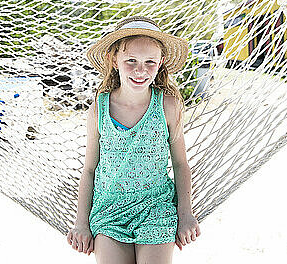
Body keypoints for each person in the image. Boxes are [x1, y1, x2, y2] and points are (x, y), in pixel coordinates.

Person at [67, 15, 201, 263]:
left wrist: (186, 214)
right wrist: (81, 223)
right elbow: (89, 170)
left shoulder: (168, 106)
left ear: (161, 64)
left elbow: (181, 164)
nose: (141, 70)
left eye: (150, 62)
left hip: (156, 207)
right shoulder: (100, 107)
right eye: (131, 61)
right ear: (114, 60)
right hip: (109, 210)